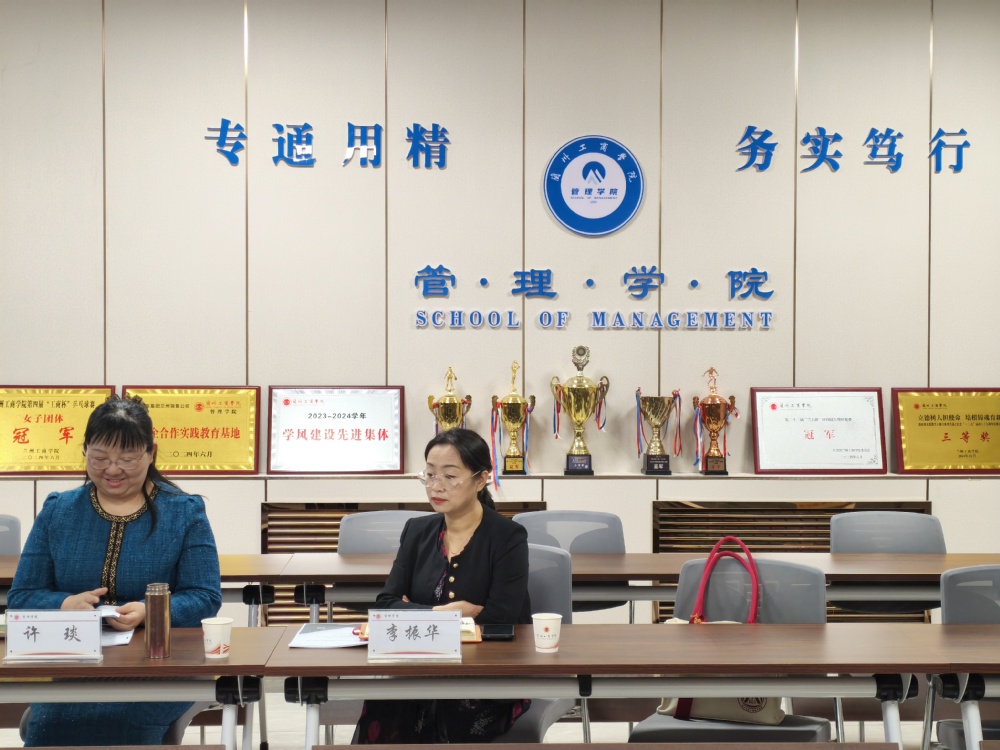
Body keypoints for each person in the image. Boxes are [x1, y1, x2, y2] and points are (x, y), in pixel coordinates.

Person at [8, 395, 223, 747]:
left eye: (127, 459)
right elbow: (22, 596)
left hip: (162, 663)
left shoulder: (184, 512)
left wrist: (150, 610)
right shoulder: (59, 511)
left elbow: (205, 596)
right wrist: (64, 604)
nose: (112, 469)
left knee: (122, 722)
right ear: (84, 451)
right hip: (78, 660)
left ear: (151, 453)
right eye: (100, 458)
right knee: (51, 723)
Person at [353, 428, 531, 744]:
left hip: (486, 674)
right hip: (419, 664)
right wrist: (449, 613)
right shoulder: (416, 531)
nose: (436, 486)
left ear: (481, 479)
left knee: (447, 712)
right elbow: (385, 604)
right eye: (430, 475)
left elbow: (502, 617)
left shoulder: (507, 537)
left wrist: (412, 610)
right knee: (388, 703)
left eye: (450, 476)